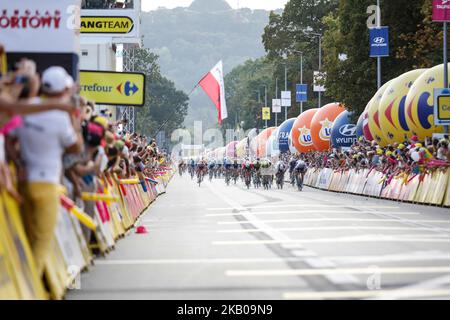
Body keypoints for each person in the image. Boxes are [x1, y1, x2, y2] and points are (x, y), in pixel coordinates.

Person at [12, 66, 83, 278]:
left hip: (23, 182)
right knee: (41, 243)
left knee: (26, 238)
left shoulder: (27, 108)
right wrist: (74, 118)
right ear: (64, 90)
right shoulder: (61, 116)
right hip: (48, 185)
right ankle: (30, 287)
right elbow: (76, 147)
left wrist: (18, 163)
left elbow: (9, 137)